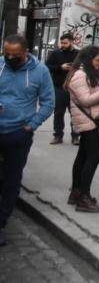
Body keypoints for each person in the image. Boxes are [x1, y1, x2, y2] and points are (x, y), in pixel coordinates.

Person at [0, 34, 55, 246]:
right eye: (6, 54)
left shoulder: (40, 71)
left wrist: (32, 125)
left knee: (12, 180)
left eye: (14, 55)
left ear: (26, 52)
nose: (9, 58)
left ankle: (1, 223)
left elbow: (48, 102)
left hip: (19, 133)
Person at [66, 45, 99, 213]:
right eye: (97, 60)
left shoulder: (87, 74)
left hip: (89, 121)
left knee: (83, 157)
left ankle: (76, 192)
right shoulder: (79, 75)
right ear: (88, 59)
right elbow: (86, 100)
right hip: (87, 122)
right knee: (94, 157)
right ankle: (84, 197)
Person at [46, 32, 80, 145]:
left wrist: (74, 68)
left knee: (75, 113)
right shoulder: (55, 54)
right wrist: (61, 67)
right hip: (59, 87)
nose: (63, 45)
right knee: (58, 113)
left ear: (72, 42)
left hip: (74, 88)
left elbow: (85, 67)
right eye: (61, 43)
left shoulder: (78, 54)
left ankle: (75, 136)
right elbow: (47, 67)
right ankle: (58, 135)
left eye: (65, 43)